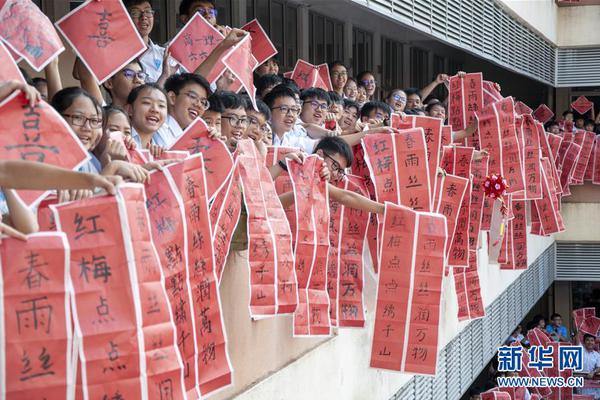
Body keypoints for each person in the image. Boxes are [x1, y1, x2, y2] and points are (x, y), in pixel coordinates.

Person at [276, 137, 385, 215]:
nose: (335, 173)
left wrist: (385, 210)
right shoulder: (291, 164)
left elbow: (345, 197)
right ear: (319, 154)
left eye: (340, 171)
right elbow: (344, 196)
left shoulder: (321, 180)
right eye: (335, 165)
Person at [124, 0, 176, 85]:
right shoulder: (118, 56)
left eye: (148, 12)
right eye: (135, 13)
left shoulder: (165, 54)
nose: (144, 17)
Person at [160, 72, 212, 146]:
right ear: (172, 97)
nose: (199, 105)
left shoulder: (190, 138)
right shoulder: (156, 128)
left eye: (203, 102)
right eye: (192, 96)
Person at [126, 83, 169, 150]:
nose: (155, 110)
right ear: (130, 109)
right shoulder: (122, 140)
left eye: (161, 105)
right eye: (147, 103)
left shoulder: (165, 145)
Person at [578, 333, 600, 399]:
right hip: (580, 381)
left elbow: (599, 367)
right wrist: (578, 330)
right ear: (584, 342)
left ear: (594, 342)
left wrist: (593, 372)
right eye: (587, 340)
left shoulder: (597, 355)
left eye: (592, 340)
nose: (590, 342)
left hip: (592, 382)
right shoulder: (580, 350)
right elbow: (577, 339)